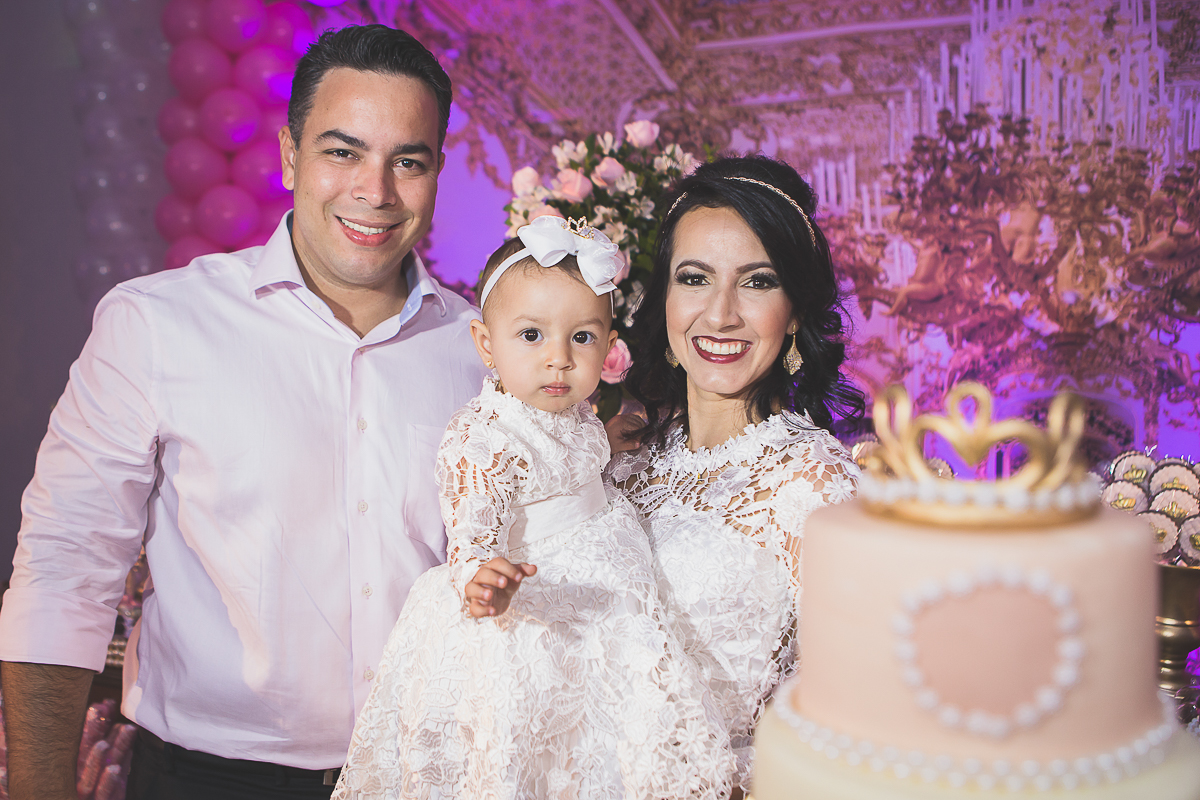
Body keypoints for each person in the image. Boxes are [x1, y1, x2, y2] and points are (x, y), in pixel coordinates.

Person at [0, 25, 489, 800]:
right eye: (343, 151)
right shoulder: (159, 322)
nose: (375, 191)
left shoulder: (483, 352)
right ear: (290, 155)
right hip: (205, 780)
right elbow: (63, 573)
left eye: (408, 161)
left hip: (433, 778)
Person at [332, 215, 734, 800]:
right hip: (533, 616)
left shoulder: (577, 417)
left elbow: (569, 480)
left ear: (609, 346)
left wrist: (609, 448)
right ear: (485, 344)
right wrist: (482, 581)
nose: (559, 359)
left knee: (603, 749)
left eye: (582, 338)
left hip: (604, 603)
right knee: (537, 754)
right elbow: (471, 537)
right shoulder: (484, 437)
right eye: (531, 336)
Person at [606, 155, 866, 796]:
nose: (720, 314)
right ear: (665, 300)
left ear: (795, 312)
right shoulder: (623, 464)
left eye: (757, 282)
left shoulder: (817, 487)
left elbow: (847, 722)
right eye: (695, 278)